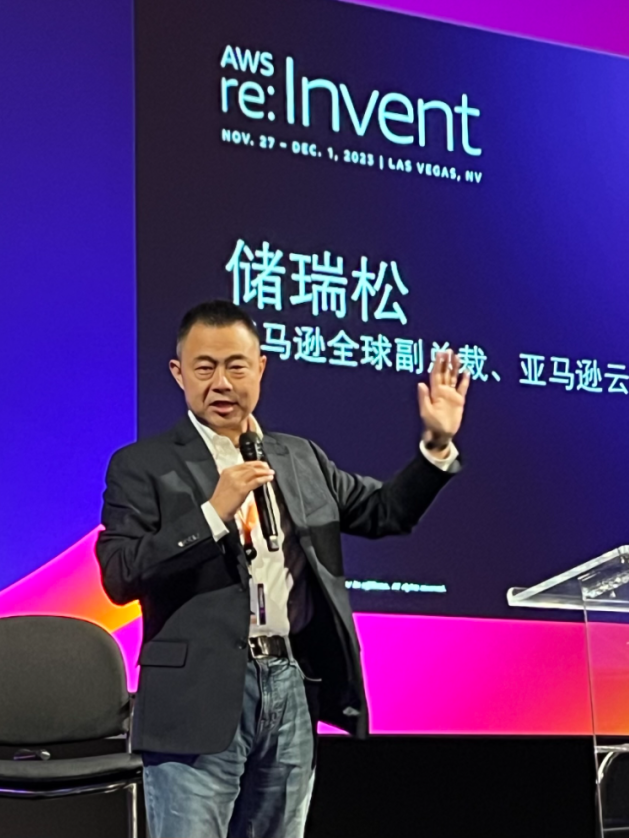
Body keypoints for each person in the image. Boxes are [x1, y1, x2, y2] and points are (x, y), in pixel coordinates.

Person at [96, 299, 469, 838]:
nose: (221, 383)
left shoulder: (301, 458)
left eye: (236, 366)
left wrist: (436, 446)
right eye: (205, 367)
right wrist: (212, 514)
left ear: (261, 368)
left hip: (290, 684)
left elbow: (385, 511)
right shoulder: (142, 465)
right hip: (196, 699)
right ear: (178, 373)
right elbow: (120, 572)